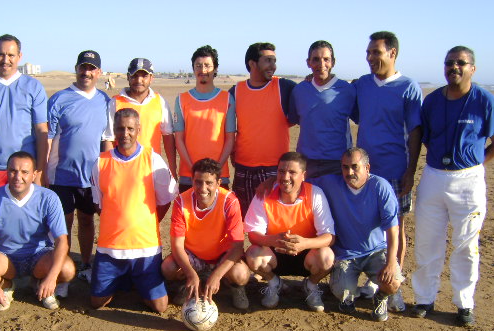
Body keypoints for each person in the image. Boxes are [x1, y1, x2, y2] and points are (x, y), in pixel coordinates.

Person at [412, 46, 494, 326]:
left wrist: (475, 164)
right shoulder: (433, 101)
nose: (454, 67)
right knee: (427, 241)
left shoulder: (485, 101)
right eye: (449, 63)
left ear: (472, 68)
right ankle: (425, 298)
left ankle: (464, 303)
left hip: (469, 180)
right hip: (434, 175)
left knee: (466, 244)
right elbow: (425, 136)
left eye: (461, 63)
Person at [351, 31, 422, 311]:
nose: (370, 58)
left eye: (376, 53)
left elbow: (415, 131)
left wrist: (410, 171)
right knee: (367, 225)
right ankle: (372, 280)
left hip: (395, 169)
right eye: (368, 53)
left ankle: (394, 285)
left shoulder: (408, 87)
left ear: (392, 54)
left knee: (396, 227)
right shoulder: (362, 85)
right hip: (364, 171)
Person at [90, 108, 177, 313]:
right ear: (114, 130)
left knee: (160, 307)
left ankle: (135, 280)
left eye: (130, 128)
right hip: (110, 248)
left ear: (139, 129)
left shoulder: (153, 160)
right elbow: (99, 204)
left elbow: (165, 200)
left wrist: (145, 221)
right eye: (120, 128)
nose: (125, 133)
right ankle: (124, 279)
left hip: (145, 247)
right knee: (96, 302)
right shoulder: (101, 162)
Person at [0, 152, 75, 311]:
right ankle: (6, 285)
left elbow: (62, 240)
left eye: (24, 172)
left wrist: (51, 278)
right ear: (7, 171)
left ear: (34, 175)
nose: (17, 177)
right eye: (13, 171)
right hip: (5, 256)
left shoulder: (49, 197)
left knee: (67, 270)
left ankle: (41, 283)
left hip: (39, 254)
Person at [314, 148, 403, 322]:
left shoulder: (380, 187)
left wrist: (391, 262)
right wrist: (271, 181)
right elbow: (300, 181)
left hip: (376, 251)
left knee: (392, 283)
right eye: (345, 167)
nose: (349, 172)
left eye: (355, 167)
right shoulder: (330, 183)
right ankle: (352, 292)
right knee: (342, 291)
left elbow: (393, 229)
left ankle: (381, 297)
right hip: (346, 254)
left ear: (367, 167)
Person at [45, 50, 110, 285]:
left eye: (92, 68)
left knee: (86, 221)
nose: (87, 72)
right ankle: (61, 269)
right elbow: (49, 137)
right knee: (63, 225)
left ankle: (85, 264)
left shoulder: (105, 100)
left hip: (91, 178)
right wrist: (43, 171)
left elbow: (107, 140)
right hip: (61, 176)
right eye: (83, 67)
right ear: (76, 69)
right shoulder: (59, 99)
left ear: (99, 72)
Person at [244, 153, 335, 311]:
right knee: (252, 254)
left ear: (303, 175)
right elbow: (252, 234)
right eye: (281, 171)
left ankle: (311, 286)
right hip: (275, 254)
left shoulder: (315, 194)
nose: (285, 177)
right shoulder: (264, 194)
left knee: (327, 256)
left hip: (306, 255)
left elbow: (329, 237)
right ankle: (274, 283)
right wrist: (274, 240)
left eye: (292, 172)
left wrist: (304, 243)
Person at [162, 158, 250, 309]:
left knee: (241, 274)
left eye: (209, 183)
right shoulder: (181, 202)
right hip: (194, 256)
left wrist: (217, 275)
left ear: (218, 183)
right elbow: (177, 245)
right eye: (198, 182)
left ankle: (235, 288)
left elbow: (237, 247)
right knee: (168, 268)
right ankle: (190, 282)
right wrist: (190, 273)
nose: (203, 188)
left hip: (221, 256)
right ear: (192, 181)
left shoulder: (229, 202)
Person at [0, 34, 48, 198]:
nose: (5, 60)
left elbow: (41, 131)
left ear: (19, 56)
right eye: (1, 54)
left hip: (25, 170)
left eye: (11, 55)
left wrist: (40, 171)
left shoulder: (33, 87)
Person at [230, 42, 296, 216]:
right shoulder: (235, 92)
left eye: (274, 61)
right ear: (252, 63)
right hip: (243, 168)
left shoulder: (285, 87)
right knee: (244, 220)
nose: (273, 66)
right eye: (268, 61)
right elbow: (226, 128)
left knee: (273, 221)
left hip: (274, 169)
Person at [288, 41, 355, 178]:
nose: (321, 64)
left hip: (337, 164)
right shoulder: (299, 90)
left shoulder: (348, 90)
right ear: (308, 63)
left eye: (326, 59)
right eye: (316, 59)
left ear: (333, 62)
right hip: (306, 164)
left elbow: (360, 118)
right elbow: (296, 119)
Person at [173, 46, 235, 192]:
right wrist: (193, 170)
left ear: (215, 69)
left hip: (219, 176)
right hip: (189, 176)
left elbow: (230, 139)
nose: (203, 70)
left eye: (207, 65)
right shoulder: (181, 100)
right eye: (198, 66)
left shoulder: (227, 99)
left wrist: (216, 170)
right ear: (193, 69)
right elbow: (179, 139)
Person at [103, 58, 176, 175]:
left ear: (151, 78)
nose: (139, 80)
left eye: (144, 76)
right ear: (128, 77)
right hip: (122, 169)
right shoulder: (115, 102)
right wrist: (108, 171)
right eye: (134, 75)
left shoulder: (159, 101)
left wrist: (172, 170)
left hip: (152, 170)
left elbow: (168, 137)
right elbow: (109, 139)